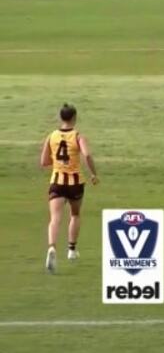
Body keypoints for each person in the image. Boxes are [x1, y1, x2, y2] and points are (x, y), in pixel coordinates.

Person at [40, 104, 99, 273]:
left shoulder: (51, 136)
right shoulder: (78, 136)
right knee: (75, 214)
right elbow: (87, 155)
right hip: (75, 183)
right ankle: (72, 250)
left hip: (57, 181)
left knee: (55, 218)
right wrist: (94, 174)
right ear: (74, 118)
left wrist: (59, 163)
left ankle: (52, 247)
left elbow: (44, 162)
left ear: (61, 118)